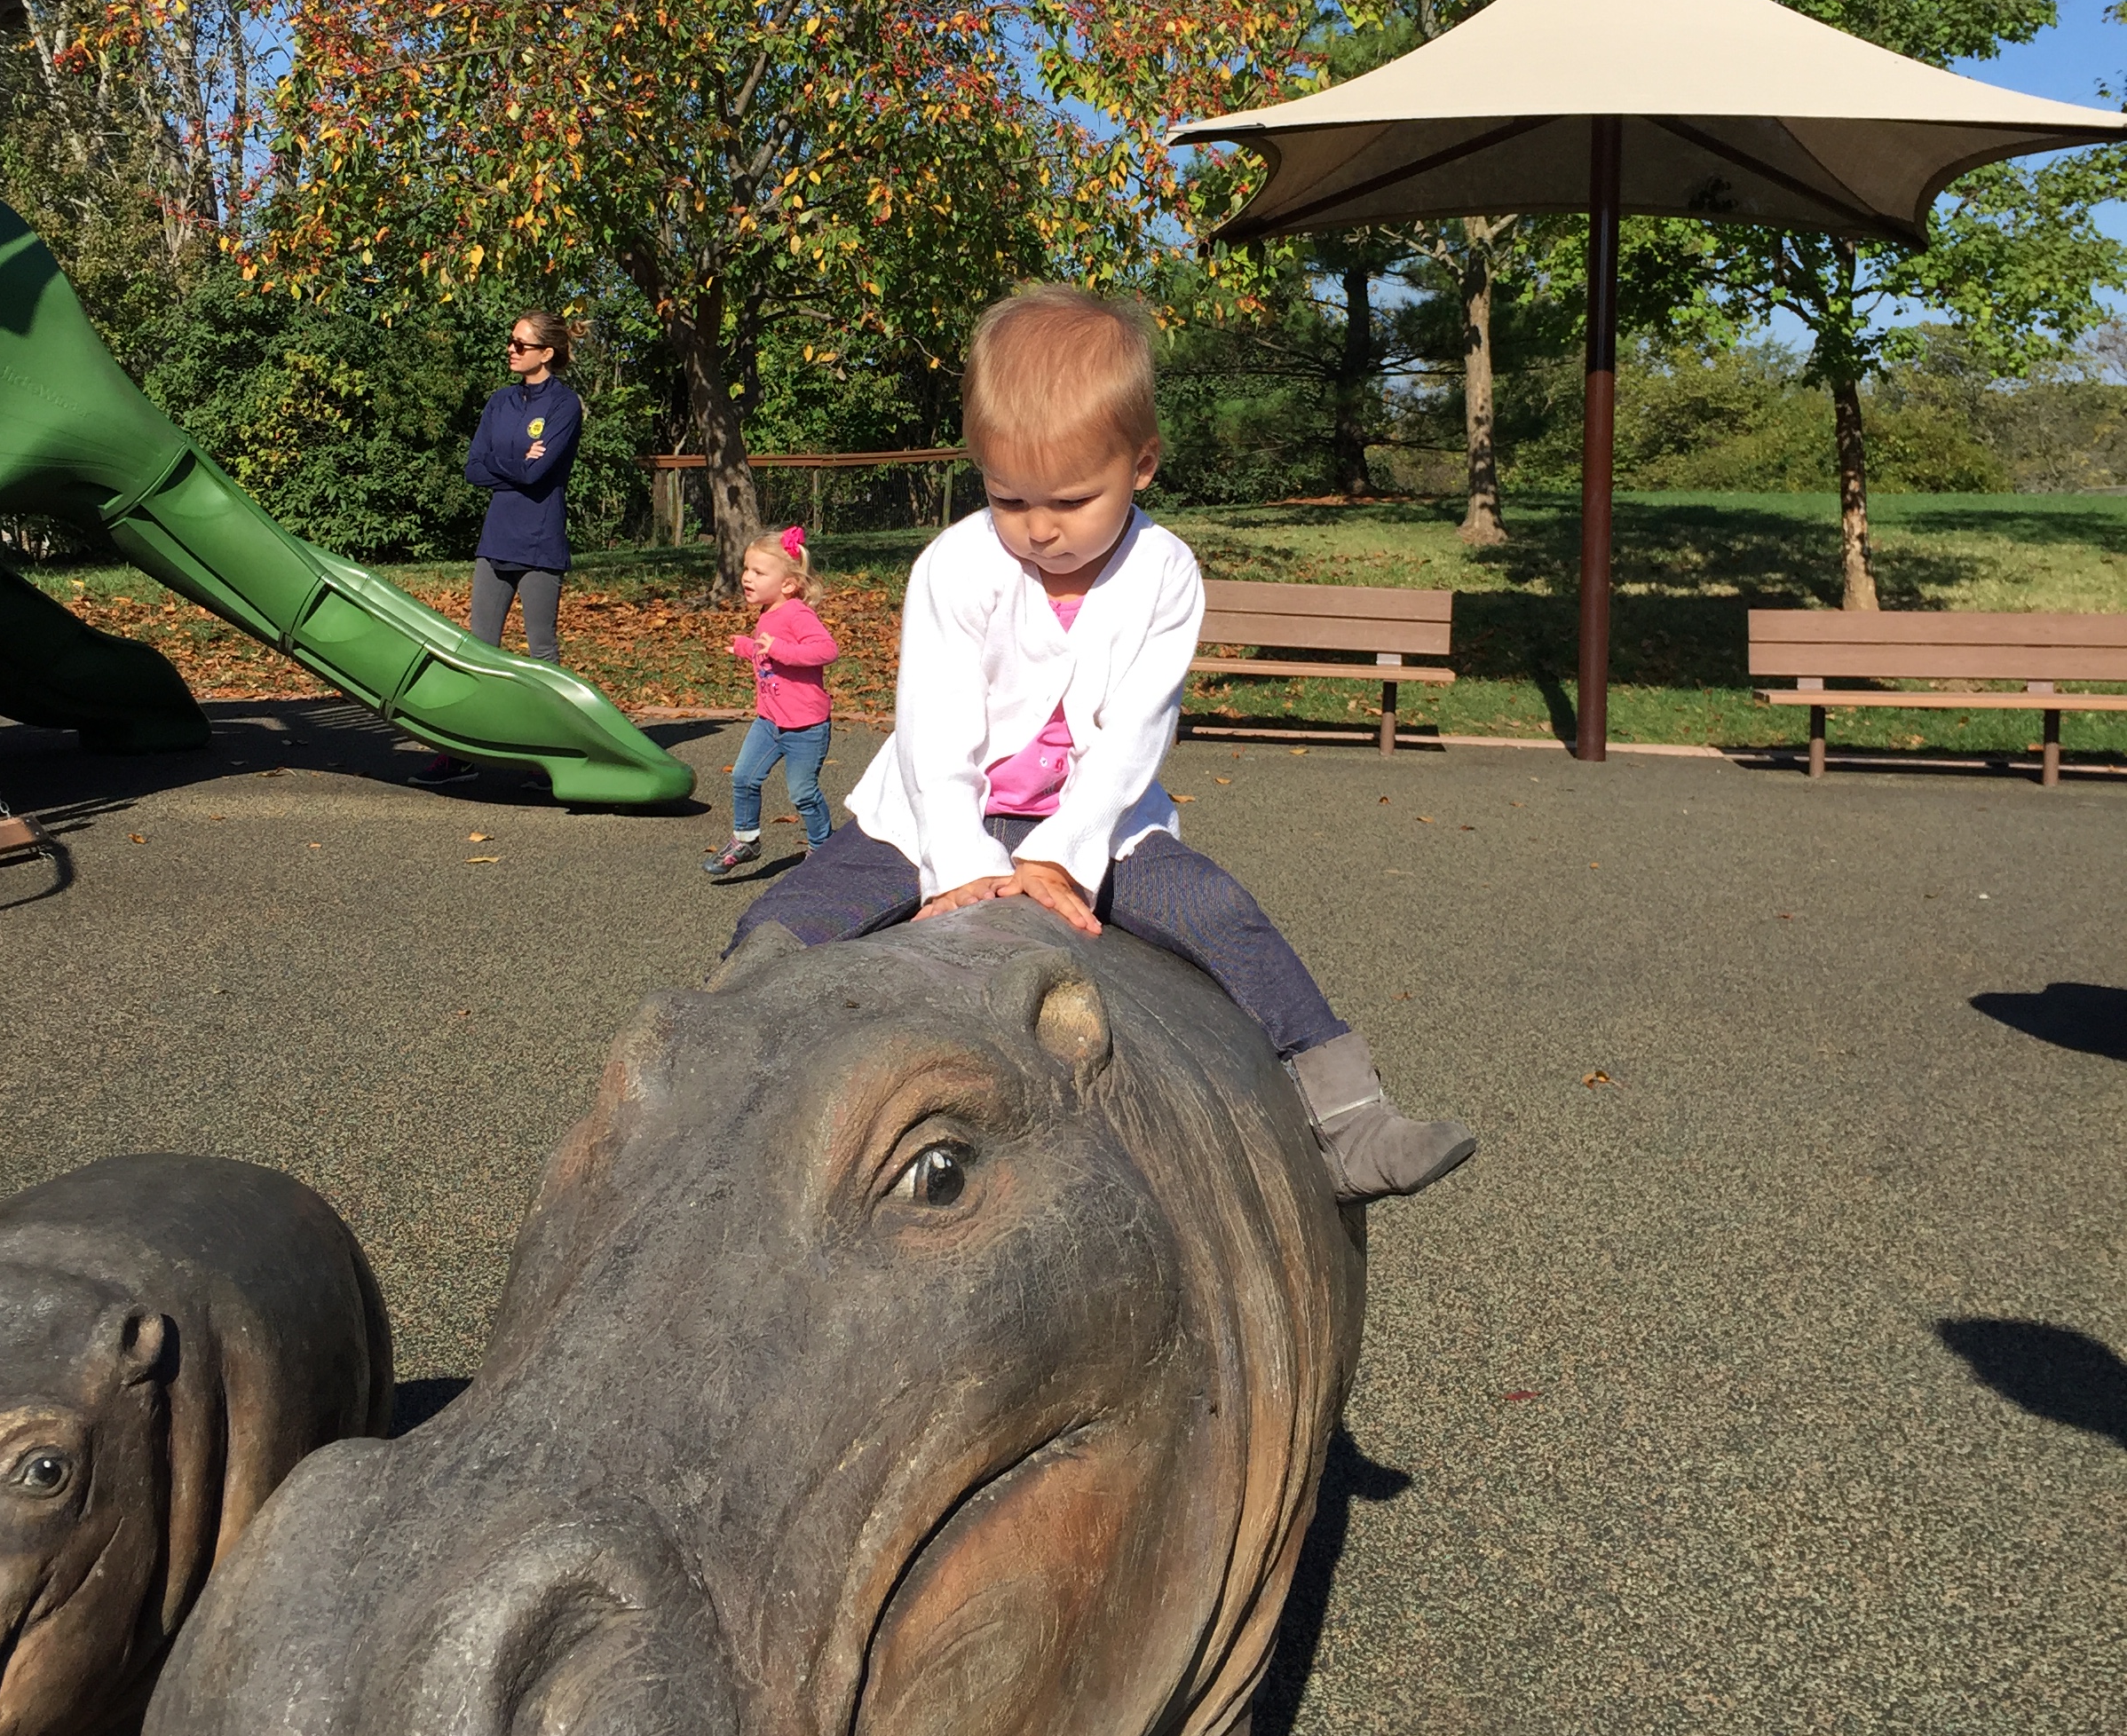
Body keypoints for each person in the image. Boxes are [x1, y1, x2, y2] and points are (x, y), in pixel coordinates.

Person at [723, 287, 1475, 1206]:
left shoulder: (1164, 573)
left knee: (1222, 915)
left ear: (1141, 463)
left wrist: (1063, 856)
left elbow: (1134, 736)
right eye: (1008, 497)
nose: (1040, 527)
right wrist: (960, 865)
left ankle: (1348, 1119)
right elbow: (934, 726)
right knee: (789, 918)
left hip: (1101, 825)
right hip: (928, 816)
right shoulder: (956, 565)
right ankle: (718, 1093)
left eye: (1074, 500)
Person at [415, 311, 582, 786]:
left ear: (546, 353)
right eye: (510, 341)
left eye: (521, 344)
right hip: (495, 541)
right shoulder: (500, 401)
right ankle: (463, 753)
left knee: (541, 654)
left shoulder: (564, 405)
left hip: (540, 542)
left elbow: (537, 473)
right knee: (477, 652)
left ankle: (548, 755)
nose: (511, 349)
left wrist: (505, 463)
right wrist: (518, 460)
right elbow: (474, 468)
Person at [704, 525, 841, 881]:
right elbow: (768, 654)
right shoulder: (768, 611)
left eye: (758, 572)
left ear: (788, 584)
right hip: (768, 722)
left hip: (805, 727)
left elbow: (826, 650)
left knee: (803, 793)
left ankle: (822, 848)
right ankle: (746, 840)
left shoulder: (797, 614)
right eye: (746, 569)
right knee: (744, 777)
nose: (747, 577)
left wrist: (778, 649)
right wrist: (745, 647)